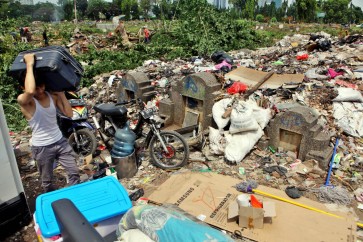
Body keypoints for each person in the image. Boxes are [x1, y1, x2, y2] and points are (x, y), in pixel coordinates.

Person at [17, 53, 80, 193]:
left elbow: (69, 114)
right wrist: (29, 64)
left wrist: (62, 94)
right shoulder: (26, 102)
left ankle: (75, 195)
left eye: (42, 86)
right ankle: (53, 202)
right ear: (23, 88)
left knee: (74, 171)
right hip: (42, 147)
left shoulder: (52, 97)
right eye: (37, 88)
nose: (39, 90)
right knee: (47, 181)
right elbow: (30, 90)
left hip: (60, 141)